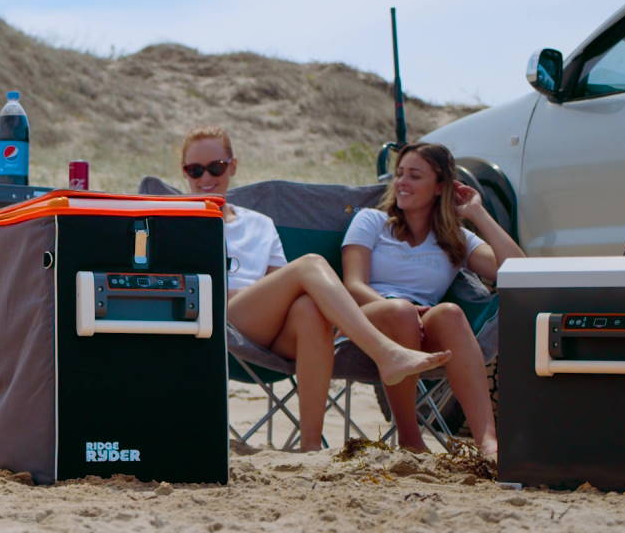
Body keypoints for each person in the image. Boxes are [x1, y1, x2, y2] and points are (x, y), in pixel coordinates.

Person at [180, 127, 452, 452]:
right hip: (219, 317)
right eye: (194, 170)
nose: (205, 177)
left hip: (266, 326)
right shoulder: (179, 219)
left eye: (216, 167)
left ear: (232, 166)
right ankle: (385, 352)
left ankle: (310, 446)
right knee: (309, 264)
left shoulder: (259, 223)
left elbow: (278, 283)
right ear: (184, 172)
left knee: (310, 309)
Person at [341, 142, 525, 461]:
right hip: (367, 323)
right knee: (400, 311)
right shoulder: (371, 221)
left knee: (451, 313)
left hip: (423, 331)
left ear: (440, 187)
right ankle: (411, 439)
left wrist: (477, 213)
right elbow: (353, 285)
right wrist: (405, 309)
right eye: (399, 174)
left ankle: (488, 441)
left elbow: (517, 270)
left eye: (414, 175)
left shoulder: (454, 238)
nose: (401, 182)